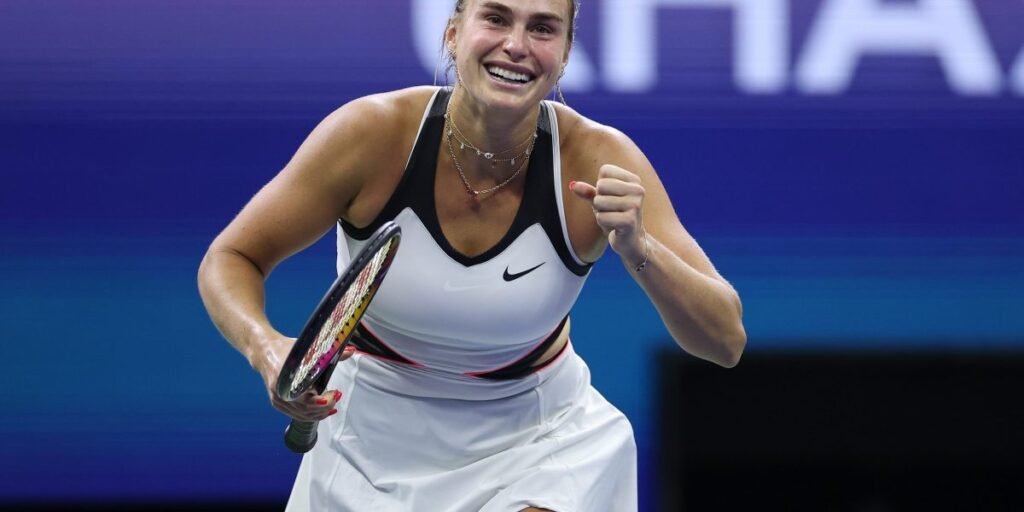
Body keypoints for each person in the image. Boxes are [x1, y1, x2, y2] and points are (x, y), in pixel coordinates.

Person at [198, 0, 746, 510]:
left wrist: (640, 249)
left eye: (542, 28)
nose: (516, 45)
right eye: (496, 18)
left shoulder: (599, 157)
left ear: (564, 55)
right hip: (363, 446)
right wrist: (266, 348)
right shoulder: (372, 134)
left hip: (540, 445)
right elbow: (232, 257)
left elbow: (724, 341)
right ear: (453, 34)